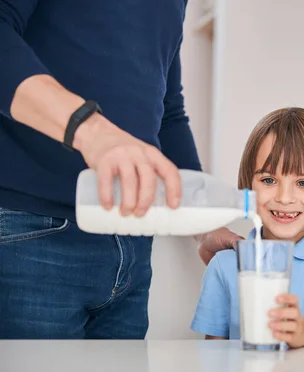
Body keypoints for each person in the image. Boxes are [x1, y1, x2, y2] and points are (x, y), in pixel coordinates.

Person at [0, 1, 235, 339]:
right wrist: (90, 130)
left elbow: (167, 111)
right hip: (31, 236)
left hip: (133, 246)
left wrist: (205, 222)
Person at [191, 107, 304, 348]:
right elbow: (211, 356)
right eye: (268, 180)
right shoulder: (225, 265)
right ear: (248, 184)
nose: (284, 198)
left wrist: (303, 331)